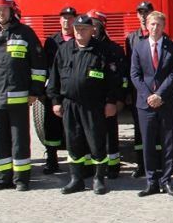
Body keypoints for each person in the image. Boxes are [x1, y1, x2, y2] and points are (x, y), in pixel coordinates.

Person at [47, 14, 123, 195]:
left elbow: (113, 80)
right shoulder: (64, 50)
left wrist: (111, 102)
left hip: (94, 105)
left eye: (84, 29)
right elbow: (54, 78)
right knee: (73, 141)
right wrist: (55, 101)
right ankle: (76, 179)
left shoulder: (102, 51)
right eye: (77, 29)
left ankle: (99, 179)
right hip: (70, 104)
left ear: (92, 31)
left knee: (96, 142)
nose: (80, 32)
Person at [0, 0, 46, 191]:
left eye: (4, 9)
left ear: (12, 10)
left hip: (18, 97)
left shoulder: (25, 33)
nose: (0, 13)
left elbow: (38, 66)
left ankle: (21, 178)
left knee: (19, 139)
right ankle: (2, 177)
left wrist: (35, 91)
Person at [129, 10, 173, 197]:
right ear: (147, 26)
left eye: (158, 24)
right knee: (148, 143)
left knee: (168, 143)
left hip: (166, 102)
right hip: (145, 105)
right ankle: (151, 181)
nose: (155, 28)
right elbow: (135, 74)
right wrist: (148, 96)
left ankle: (166, 181)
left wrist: (159, 94)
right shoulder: (139, 47)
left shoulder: (172, 48)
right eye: (152, 24)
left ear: (163, 27)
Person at [86, 9, 127, 179]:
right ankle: (91, 167)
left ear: (102, 27)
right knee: (89, 132)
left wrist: (120, 98)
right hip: (89, 100)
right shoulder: (83, 48)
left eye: (95, 26)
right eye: (90, 26)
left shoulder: (114, 50)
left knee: (110, 133)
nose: (93, 29)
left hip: (108, 99)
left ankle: (113, 166)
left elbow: (121, 77)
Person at [40, 6, 76, 175]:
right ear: (59, 20)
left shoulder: (79, 40)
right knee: (51, 127)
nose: (66, 21)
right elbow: (46, 66)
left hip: (72, 91)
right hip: (55, 90)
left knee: (73, 127)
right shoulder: (51, 41)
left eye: (70, 18)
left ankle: (75, 161)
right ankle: (51, 160)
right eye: (64, 18)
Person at [125, 0, 154, 178]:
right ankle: (141, 164)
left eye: (146, 12)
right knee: (139, 129)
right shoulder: (131, 38)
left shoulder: (159, 36)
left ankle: (155, 163)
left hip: (154, 89)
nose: (143, 16)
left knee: (155, 129)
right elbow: (130, 68)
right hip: (138, 90)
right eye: (140, 12)